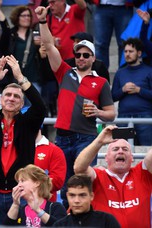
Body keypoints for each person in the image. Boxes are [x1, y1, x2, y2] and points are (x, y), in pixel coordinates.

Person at [36, 5, 116, 208]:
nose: (81, 58)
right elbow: (49, 45)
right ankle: (66, 218)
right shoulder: (65, 72)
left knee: (83, 180)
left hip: (87, 137)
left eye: (86, 55)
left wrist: (98, 112)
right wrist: (43, 21)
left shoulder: (101, 82)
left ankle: (87, 217)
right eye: (78, 54)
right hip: (62, 136)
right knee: (63, 182)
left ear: (93, 58)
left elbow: (111, 114)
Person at [0, 55, 46, 225]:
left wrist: (20, 78)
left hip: (21, 191)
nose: (11, 98)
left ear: (21, 104)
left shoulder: (28, 123)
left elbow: (41, 107)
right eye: (8, 95)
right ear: (1, 100)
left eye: (16, 97)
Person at [73, 125, 152, 228]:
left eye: (125, 149)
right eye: (115, 149)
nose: (120, 151)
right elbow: (79, 168)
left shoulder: (142, 174)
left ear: (132, 157)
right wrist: (99, 141)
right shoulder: (98, 176)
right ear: (106, 158)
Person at [111, 37, 152, 146]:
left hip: (145, 117)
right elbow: (112, 97)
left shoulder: (149, 71)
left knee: (148, 153)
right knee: (121, 151)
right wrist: (123, 90)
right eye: (125, 51)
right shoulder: (120, 73)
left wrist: (139, 90)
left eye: (131, 51)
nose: (127, 54)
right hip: (123, 117)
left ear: (139, 53)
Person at [0, 1, 42, 92]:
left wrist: (40, 48)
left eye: (29, 16)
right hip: (14, 80)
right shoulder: (11, 35)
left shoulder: (35, 34)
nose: (27, 18)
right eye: (24, 16)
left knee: (35, 105)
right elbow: (5, 28)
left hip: (33, 79)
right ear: (17, 17)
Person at [53, 174, 121, 227]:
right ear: (67, 196)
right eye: (72, 195)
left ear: (91, 196)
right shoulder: (59, 225)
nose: (77, 200)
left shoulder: (107, 221)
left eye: (82, 195)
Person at [93, 0, 133, 69]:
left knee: (125, 44)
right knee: (100, 45)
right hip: (102, 6)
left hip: (124, 7)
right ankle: (101, 76)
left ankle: (124, 77)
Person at [34, 129, 66, 202]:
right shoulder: (14, 148)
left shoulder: (54, 151)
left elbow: (58, 181)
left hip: (45, 205)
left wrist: (30, 183)